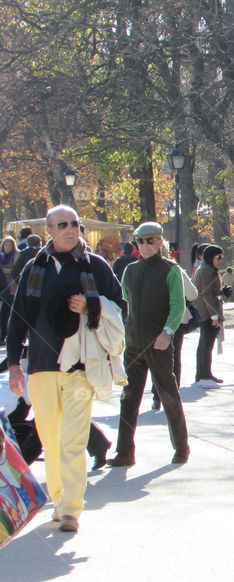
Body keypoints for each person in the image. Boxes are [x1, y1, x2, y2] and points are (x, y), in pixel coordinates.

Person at [6, 205, 126, 532]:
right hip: (42, 367)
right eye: (63, 225)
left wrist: (92, 306)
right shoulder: (34, 268)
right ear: (50, 231)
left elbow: (120, 307)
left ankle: (72, 508)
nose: (71, 229)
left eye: (75, 223)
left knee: (73, 438)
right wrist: (14, 364)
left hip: (80, 365)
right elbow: (18, 320)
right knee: (51, 437)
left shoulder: (96, 266)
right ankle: (59, 499)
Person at [107, 222, 189, 467]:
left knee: (168, 395)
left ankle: (181, 447)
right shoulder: (129, 271)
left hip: (159, 343)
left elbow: (178, 306)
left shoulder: (171, 270)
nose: (144, 245)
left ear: (160, 241)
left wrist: (167, 332)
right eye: (139, 241)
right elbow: (122, 305)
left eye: (150, 240)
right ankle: (124, 452)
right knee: (128, 397)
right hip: (132, 342)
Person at [150, 242, 199, 410]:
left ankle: (156, 394)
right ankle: (171, 395)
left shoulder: (140, 270)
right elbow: (192, 294)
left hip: (152, 319)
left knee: (154, 357)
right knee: (173, 357)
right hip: (175, 319)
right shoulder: (175, 269)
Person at [192, 245, 225, 387]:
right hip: (207, 313)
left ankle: (203, 374)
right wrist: (214, 316)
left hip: (205, 312)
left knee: (204, 345)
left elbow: (213, 293)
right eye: (218, 257)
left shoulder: (207, 269)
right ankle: (204, 375)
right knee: (206, 345)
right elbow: (206, 294)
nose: (220, 261)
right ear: (211, 257)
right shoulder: (206, 271)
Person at [0, 236, 17, 342]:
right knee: (3, 312)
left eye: (9, 245)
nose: (7, 247)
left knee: (9, 311)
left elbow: (16, 270)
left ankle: (7, 334)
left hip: (12, 287)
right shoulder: (1, 257)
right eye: (6, 245)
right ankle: (2, 334)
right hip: (2, 286)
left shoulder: (16, 256)